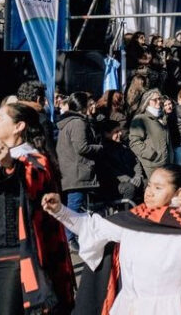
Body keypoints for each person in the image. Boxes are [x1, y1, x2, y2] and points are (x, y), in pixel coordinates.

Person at [43, 164, 181, 314]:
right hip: (129, 305)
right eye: (149, 185)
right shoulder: (132, 220)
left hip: (171, 308)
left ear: (179, 193)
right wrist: (60, 210)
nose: (150, 192)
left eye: (158, 188)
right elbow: (90, 228)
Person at [0, 103, 75, 314]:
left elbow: (31, 181)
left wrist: (10, 164)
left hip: (13, 261)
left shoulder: (34, 160)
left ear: (18, 126)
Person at [56, 91, 103, 251]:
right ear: (82, 106)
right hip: (77, 171)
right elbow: (81, 147)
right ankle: (69, 238)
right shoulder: (78, 123)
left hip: (72, 170)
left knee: (74, 205)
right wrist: (99, 148)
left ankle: (71, 237)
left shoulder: (68, 122)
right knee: (74, 207)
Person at [96, 119, 145, 203]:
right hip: (114, 184)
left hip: (132, 178)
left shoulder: (124, 146)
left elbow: (136, 162)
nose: (120, 133)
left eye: (120, 131)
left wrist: (138, 175)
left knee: (147, 183)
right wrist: (128, 180)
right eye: (116, 132)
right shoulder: (103, 150)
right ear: (107, 134)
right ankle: (125, 212)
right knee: (129, 188)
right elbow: (111, 171)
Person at [129, 89, 172, 179]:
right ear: (147, 101)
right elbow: (134, 143)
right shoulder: (140, 119)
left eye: (159, 99)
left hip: (167, 164)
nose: (158, 101)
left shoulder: (162, 117)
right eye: (155, 100)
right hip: (153, 166)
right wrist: (152, 155)